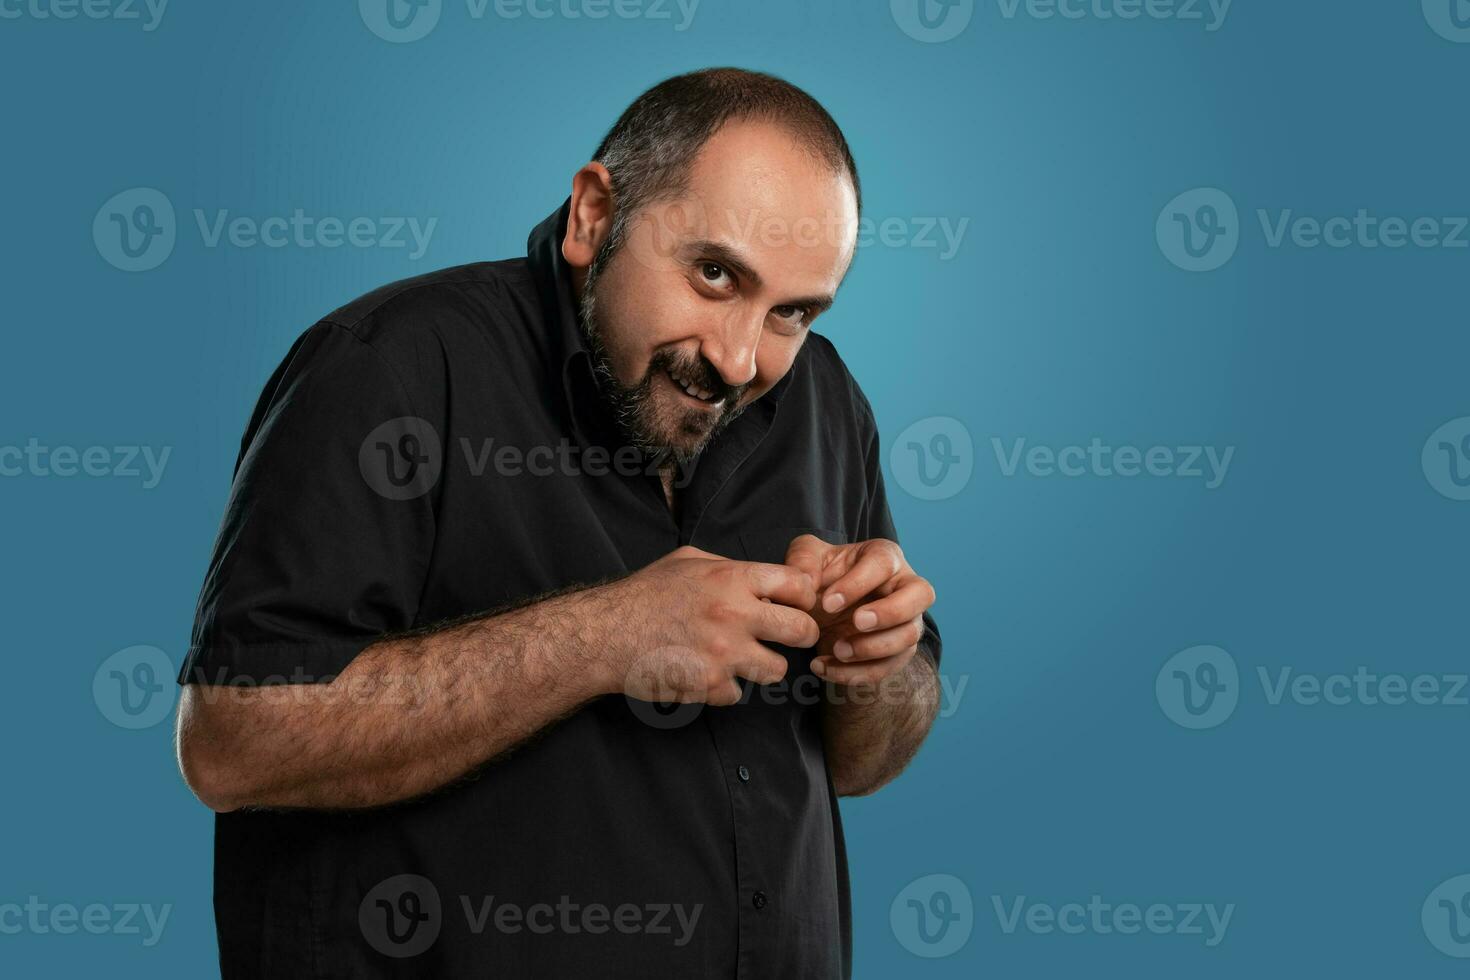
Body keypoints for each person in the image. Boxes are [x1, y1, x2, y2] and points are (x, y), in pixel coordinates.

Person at [175, 66, 942, 979]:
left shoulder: (824, 400)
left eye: (792, 311)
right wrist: (611, 633)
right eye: (713, 274)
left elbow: (858, 764)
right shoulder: (390, 370)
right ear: (592, 216)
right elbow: (230, 742)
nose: (739, 359)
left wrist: (877, 663)